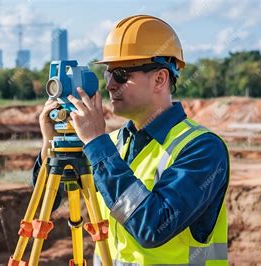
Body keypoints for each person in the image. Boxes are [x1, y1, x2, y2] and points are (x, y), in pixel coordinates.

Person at [33, 15, 230, 265]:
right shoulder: (111, 144)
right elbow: (45, 207)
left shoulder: (202, 148)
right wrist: (50, 147)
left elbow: (153, 227)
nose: (110, 85)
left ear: (160, 78)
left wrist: (95, 143)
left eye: (121, 74)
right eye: (107, 74)